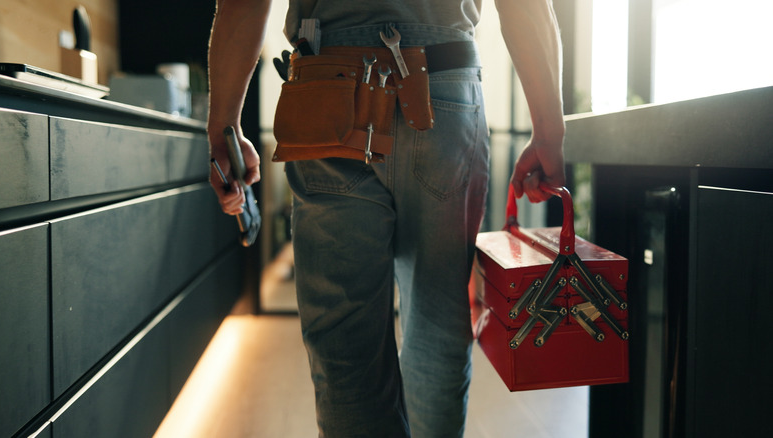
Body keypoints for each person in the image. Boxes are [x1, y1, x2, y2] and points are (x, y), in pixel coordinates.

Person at [207, 0, 565, 436]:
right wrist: (548, 130)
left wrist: (224, 124)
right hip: (444, 90)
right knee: (437, 327)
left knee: (346, 348)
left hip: (326, 92)